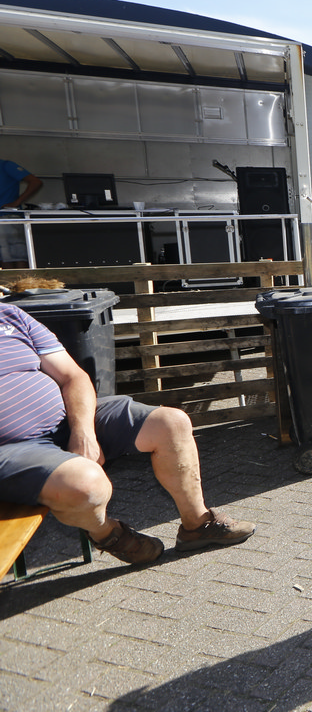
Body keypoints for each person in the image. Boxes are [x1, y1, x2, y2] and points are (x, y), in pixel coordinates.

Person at [0, 302, 255, 565]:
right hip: (14, 448)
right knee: (86, 484)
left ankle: (197, 525)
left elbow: (73, 377)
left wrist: (83, 431)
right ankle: (107, 533)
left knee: (171, 423)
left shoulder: (10, 315)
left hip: (68, 417)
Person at [1, 159, 43, 269]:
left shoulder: (5, 165)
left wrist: (17, 202)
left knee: (15, 257)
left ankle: (22, 280)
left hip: (7, 217)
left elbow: (35, 182)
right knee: (4, 257)